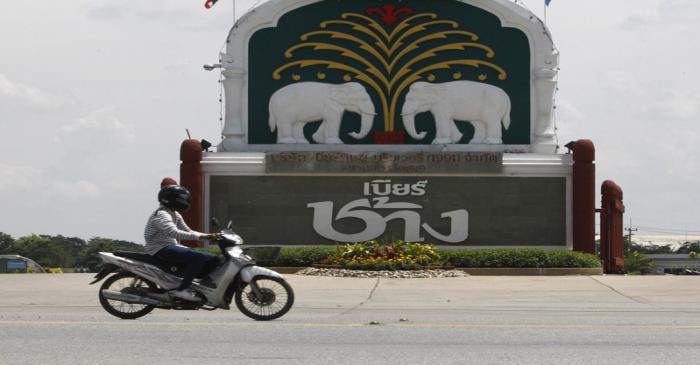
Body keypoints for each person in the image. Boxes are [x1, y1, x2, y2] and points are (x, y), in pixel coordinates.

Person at [144, 183, 220, 301]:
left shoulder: (174, 213)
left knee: (214, 259)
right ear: (172, 200)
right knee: (198, 258)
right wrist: (204, 238)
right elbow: (174, 233)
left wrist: (209, 236)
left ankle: (192, 283)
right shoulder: (162, 214)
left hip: (171, 245)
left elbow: (188, 231)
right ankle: (182, 290)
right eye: (182, 199)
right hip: (160, 248)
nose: (185, 201)